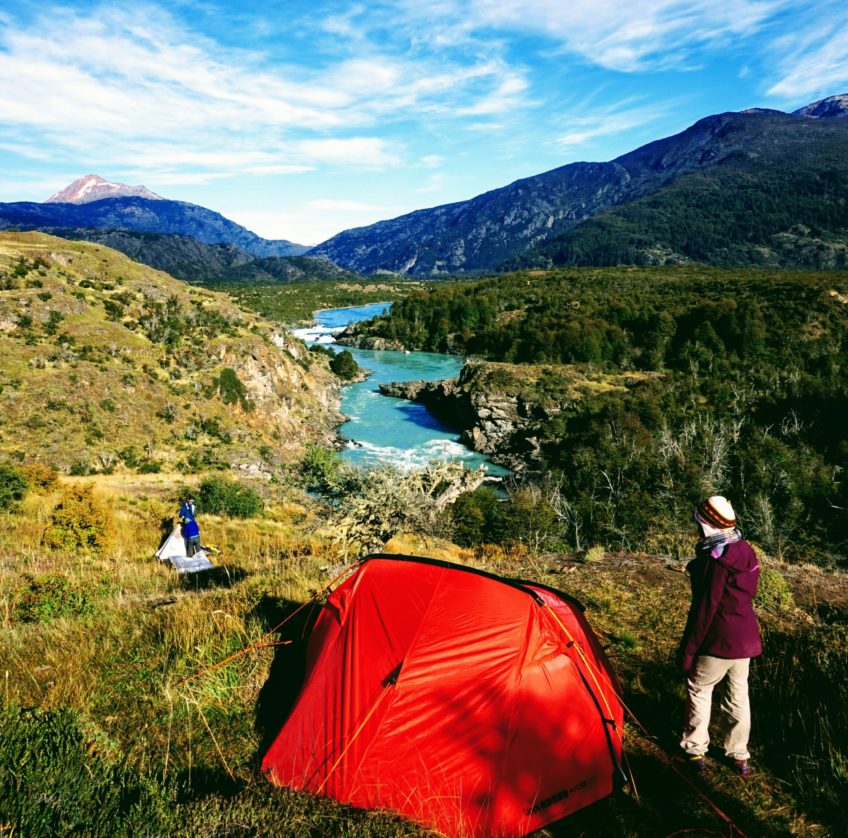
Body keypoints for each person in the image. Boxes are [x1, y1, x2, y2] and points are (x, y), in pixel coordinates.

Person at [677, 495, 762, 777]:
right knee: (737, 696)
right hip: (745, 639)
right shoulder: (745, 551)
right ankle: (739, 755)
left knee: (699, 689)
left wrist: (689, 650)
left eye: (699, 521)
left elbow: (705, 611)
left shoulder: (716, 562)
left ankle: (694, 749)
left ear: (707, 524)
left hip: (718, 640)